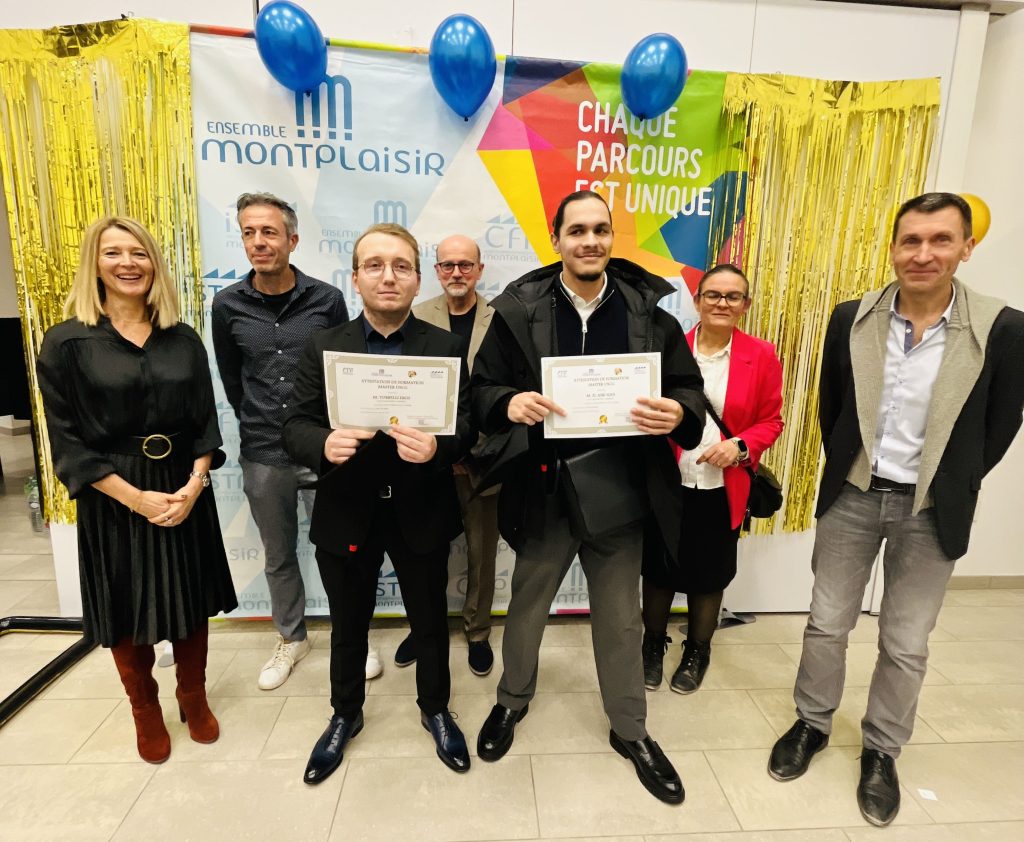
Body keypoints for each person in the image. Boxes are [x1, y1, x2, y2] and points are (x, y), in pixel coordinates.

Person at [767, 192, 1024, 827]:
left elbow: (999, 427)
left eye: (941, 240)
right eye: (911, 240)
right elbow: (833, 407)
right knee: (826, 623)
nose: (924, 253)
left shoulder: (1004, 329)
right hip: (854, 495)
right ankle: (811, 723)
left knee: (906, 641)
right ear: (893, 248)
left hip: (932, 507)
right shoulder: (852, 318)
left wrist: (954, 481)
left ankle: (881, 749)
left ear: (966, 248)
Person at [470, 190, 705, 804]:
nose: (590, 241)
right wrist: (507, 403)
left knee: (621, 619)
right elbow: (480, 390)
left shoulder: (649, 313)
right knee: (527, 607)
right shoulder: (518, 311)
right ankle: (511, 701)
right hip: (545, 487)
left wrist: (679, 411)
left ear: (611, 237)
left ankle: (630, 729)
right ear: (557, 239)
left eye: (601, 229)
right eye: (577, 231)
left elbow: (688, 389)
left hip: (619, 493)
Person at [36, 216, 238, 764]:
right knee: (124, 606)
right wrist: (134, 497)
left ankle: (192, 696)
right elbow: (67, 440)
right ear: (94, 265)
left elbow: (205, 423)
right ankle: (144, 709)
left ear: (154, 264)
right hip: (114, 495)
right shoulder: (66, 342)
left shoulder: (183, 338)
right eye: (113, 253)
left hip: (183, 486)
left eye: (139, 253)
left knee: (191, 600)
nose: (128, 263)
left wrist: (193, 486)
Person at [283, 222, 475, 784]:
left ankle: (435, 708)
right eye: (374, 265)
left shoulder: (445, 348)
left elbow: (467, 426)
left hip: (421, 508)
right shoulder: (323, 346)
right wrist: (323, 443)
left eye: (401, 266)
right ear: (356, 278)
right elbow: (293, 424)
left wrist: (440, 447)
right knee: (347, 624)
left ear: (417, 280)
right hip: (348, 508)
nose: (388, 277)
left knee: (430, 621)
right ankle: (345, 714)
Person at [212, 193, 383, 688]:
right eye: (249, 232)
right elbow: (233, 379)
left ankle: (353, 636)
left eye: (269, 232)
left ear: (292, 239)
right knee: (278, 554)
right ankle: (292, 637)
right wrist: (259, 418)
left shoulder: (326, 300)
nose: (259, 242)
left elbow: (342, 368)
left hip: (322, 447)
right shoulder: (227, 305)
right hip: (264, 450)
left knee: (342, 550)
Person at [642, 265, 784, 694]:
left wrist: (739, 446)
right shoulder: (668, 349)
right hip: (668, 481)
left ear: (745, 304)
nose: (722, 303)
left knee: (710, 574)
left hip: (722, 487)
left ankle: (697, 650)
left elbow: (772, 421)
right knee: (658, 570)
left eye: (733, 296)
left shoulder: (761, 355)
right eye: (713, 295)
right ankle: (651, 646)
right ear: (697, 300)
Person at [388, 235, 499, 676]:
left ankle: (478, 631)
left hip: (483, 457)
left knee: (481, 554)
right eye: (447, 265)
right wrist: (437, 447)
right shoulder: (414, 316)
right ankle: (423, 628)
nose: (456, 272)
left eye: (465, 265)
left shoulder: (500, 319)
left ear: (479, 269)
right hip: (425, 457)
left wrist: (472, 446)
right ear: (434, 271)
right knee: (423, 551)